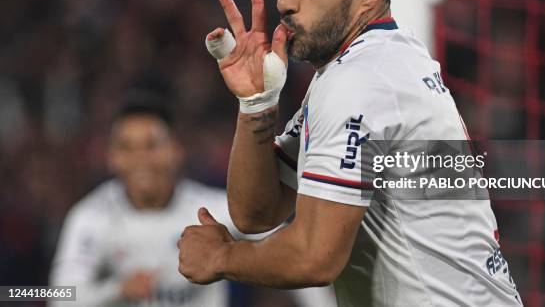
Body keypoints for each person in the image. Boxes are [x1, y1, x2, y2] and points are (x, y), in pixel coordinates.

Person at [178, 0, 522, 307]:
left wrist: (222, 256)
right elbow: (258, 213)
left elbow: (315, 258)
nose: (286, 1)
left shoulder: (362, 81)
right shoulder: (375, 61)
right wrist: (257, 105)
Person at [49, 93, 335, 307]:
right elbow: (59, 295)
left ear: (175, 150)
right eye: (127, 147)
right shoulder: (90, 218)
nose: (141, 160)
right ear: (111, 157)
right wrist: (118, 289)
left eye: (152, 145)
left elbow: (292, 252)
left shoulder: (212, 210)